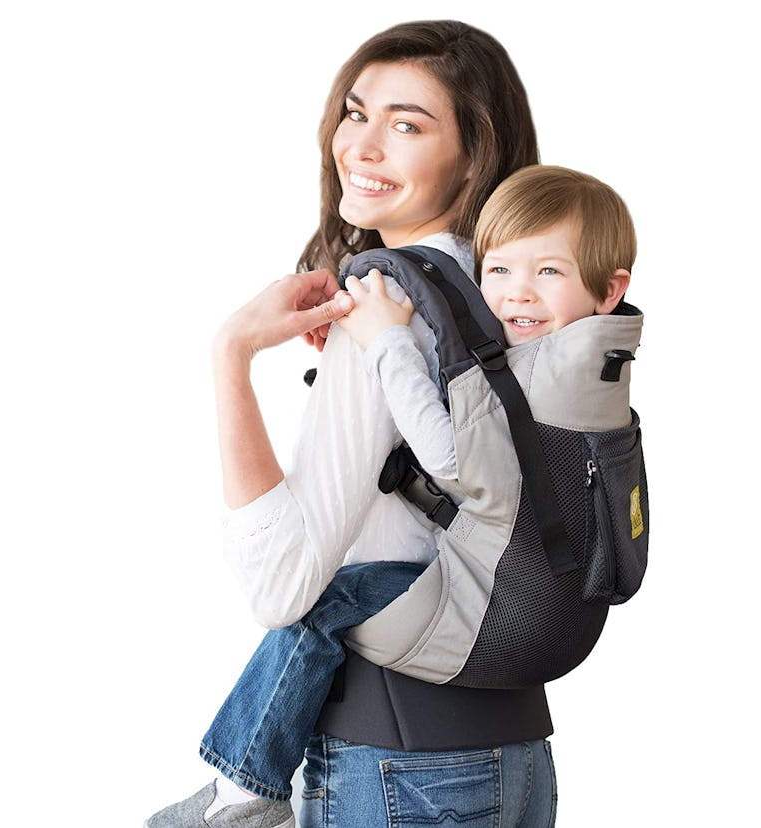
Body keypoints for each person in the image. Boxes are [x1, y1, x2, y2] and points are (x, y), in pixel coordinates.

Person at [146, 20, 566, 828]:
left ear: (472, 155)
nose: (361, 147)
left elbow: (283, 586)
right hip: (517, 753)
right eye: (355, 112)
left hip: (396, 763)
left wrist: (230, 355)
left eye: (407, 125)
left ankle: (239, 792)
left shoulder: (384, 306)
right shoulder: (515, 290)